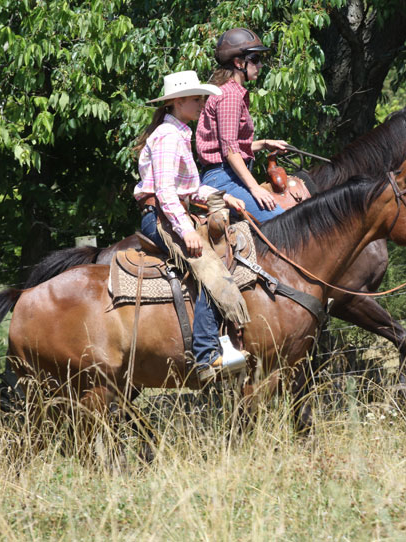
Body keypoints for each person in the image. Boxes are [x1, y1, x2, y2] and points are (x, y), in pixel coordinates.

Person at [133, 70, 246, 384]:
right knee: (210, 270)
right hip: (161, 219)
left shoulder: (177, 133)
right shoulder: (168, 137)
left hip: (170, 214)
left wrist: (223, 197)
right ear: (177, 101)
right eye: (196, 98)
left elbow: (189, 188)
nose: (201, 103)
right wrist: (186, 231)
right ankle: (207, 356)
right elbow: (166, 192)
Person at [196, 27, 290, 222]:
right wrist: (255, 187)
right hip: (224, 179)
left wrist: (264, 144)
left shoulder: (229, 92)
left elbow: (228, 147)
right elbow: (230, 151)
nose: (261, 65)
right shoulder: (230, 95)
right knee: (283, 223)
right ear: (238, 63)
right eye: (255, 59)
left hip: (225, 174)